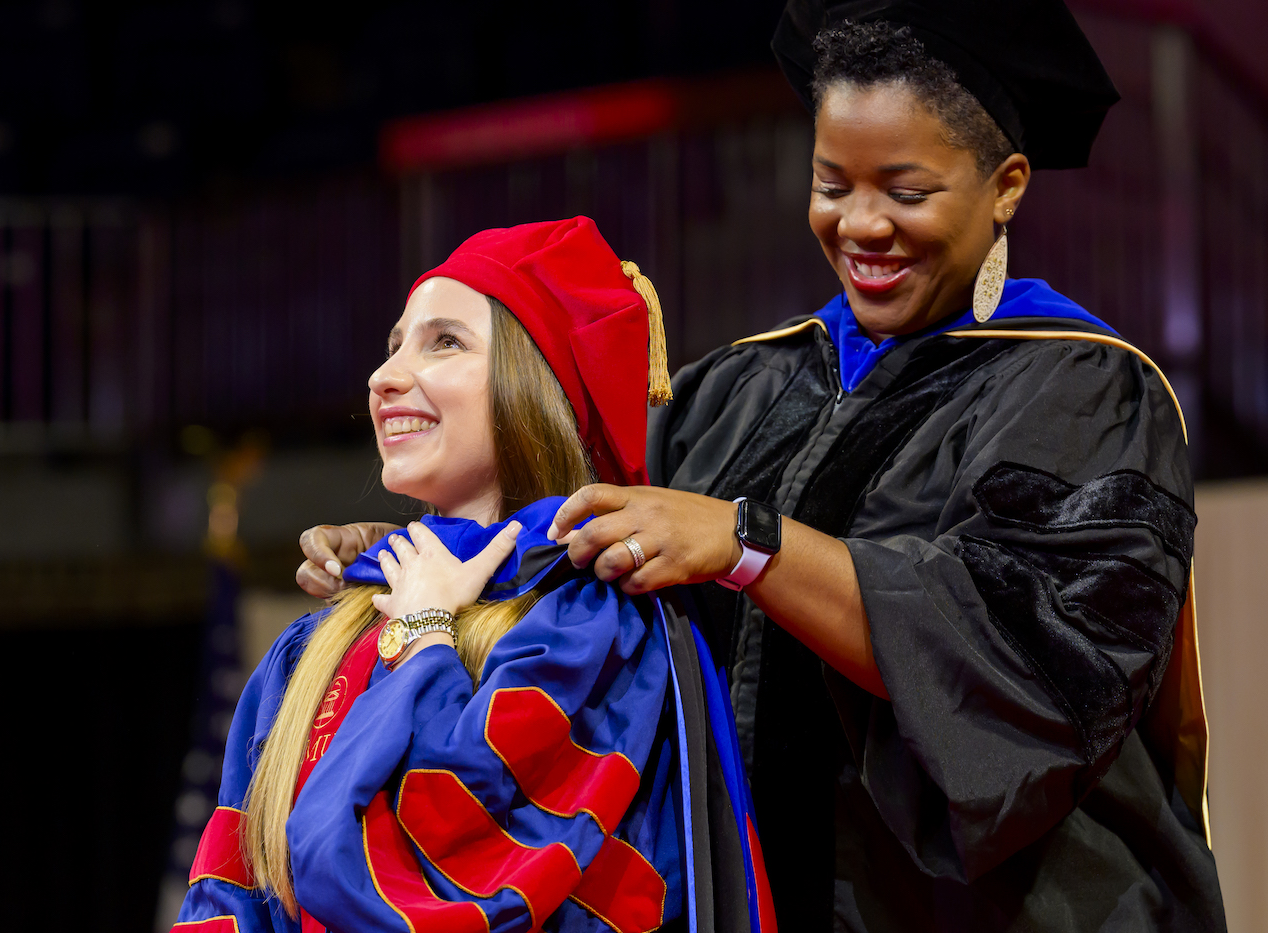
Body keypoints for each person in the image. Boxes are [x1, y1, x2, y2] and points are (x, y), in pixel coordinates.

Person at [298, 3, 1226, 930]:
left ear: (1006, 185)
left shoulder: (1083, 388)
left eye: (907, 192)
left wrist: (749, 545)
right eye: (832, 185)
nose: (862, 224)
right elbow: (573, 548)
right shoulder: (739, 390)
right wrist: (425, 548)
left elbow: (1028, 664)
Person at [175, 217, 773, 933]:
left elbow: (452, 883)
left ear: (531, 385)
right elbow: (228, 898)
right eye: (394, 346)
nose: (383, 378)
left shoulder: (588, 629)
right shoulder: (316, 645)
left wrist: (427, 637)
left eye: (444, 343)